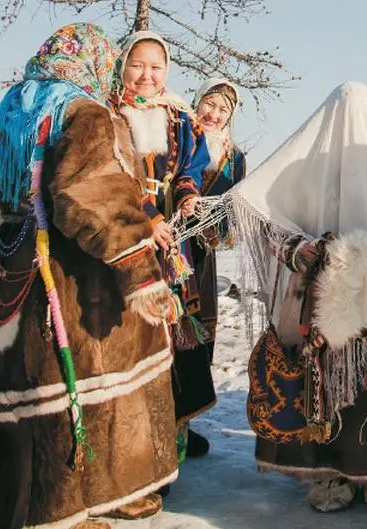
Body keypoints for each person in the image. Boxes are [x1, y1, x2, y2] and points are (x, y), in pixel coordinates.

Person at [0, 23, 178, 529]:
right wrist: (140, 268)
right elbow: (90, 197)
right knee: (65, 412)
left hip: (13, 286)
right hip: (65, 291)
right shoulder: (86, 113)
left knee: (27, 408)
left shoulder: (16, 111)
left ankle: (42, 524)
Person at [233, 81, 367, 513]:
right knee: (327, 385)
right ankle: (331, 472)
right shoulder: (307, 168)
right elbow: (269, 216)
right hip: (323, 302)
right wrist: (302, 250)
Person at [112, 31, 216, 462]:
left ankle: (173, 438)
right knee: (133, 338)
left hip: (170, 244)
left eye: (156, 67)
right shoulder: (107, 114)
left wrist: (188, 194)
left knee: (176, 337)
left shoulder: (179, 117)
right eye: (138, 65)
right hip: (125, 238)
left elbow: (192, 165)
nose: (147, 76)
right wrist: (146, 215)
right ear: (123, 67)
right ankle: (136, 452)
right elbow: (112, 174)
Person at [190, 78, 247, 360]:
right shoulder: (177, 140)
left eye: (223, 109)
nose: (214, 114)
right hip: (167, 246)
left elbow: (230, 208)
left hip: (202, 252)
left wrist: (217, 230)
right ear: (198, 101)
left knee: (198, 321)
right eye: (209, 104)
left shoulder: (234, 159)